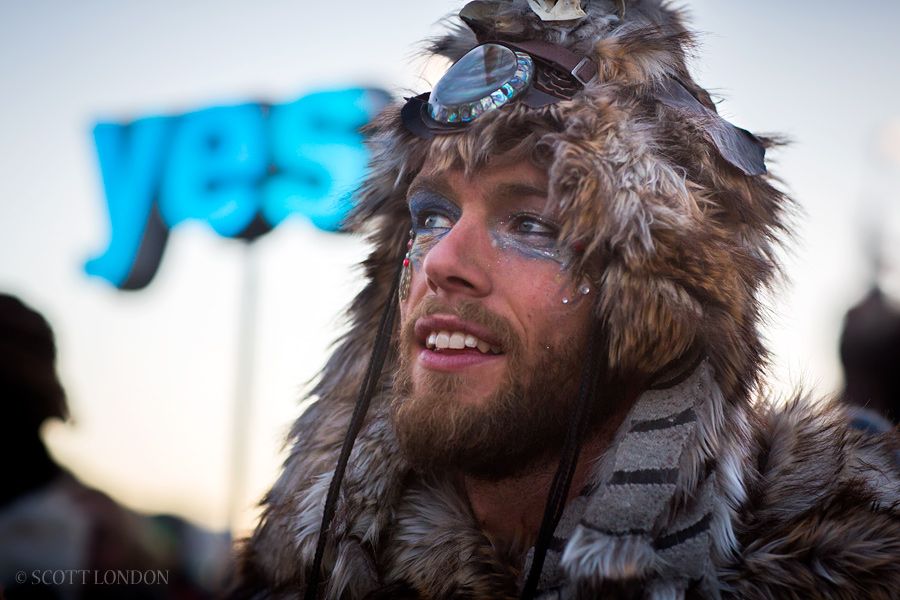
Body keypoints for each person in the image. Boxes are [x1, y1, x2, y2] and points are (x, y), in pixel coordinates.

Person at [231, 1, 900, 598]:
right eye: (431, 216)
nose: (442, 263)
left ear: (657, 311)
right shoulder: (301, 576)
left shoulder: (839, 574)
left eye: (532, 225)